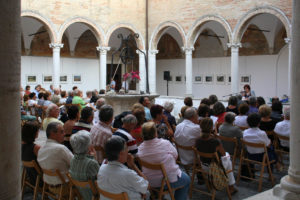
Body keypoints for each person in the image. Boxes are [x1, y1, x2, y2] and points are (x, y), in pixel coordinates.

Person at [138, 122, 190, 200]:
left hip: (149, 181)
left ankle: (157, 195)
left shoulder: (140, 148)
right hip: (165, 181)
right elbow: (176, 156)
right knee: (186, 180)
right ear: (155, 133)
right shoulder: (165, 143)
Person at [195, 118, 237, 194]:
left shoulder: (197, 139)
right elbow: (223, 154)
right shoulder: (215, 141)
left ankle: (227, 185)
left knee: (226, 160)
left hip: (203, 166)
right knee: (227, 157)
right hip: (215, 167)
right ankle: (231, 187)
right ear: (211, 128)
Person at [37, 122, 73, 193]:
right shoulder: (60, 148)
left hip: (50, 186)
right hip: (65, 187)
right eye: (62, 132)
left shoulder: (41, 149)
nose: (64, 134)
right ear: (53, 134)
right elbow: (74, 164)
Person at [69, 130, 99, 200]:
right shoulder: (91, 163)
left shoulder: (73, 159)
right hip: (94, 196)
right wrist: (95, 159)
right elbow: (100, 181)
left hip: (81, 194)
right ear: (89, 147)